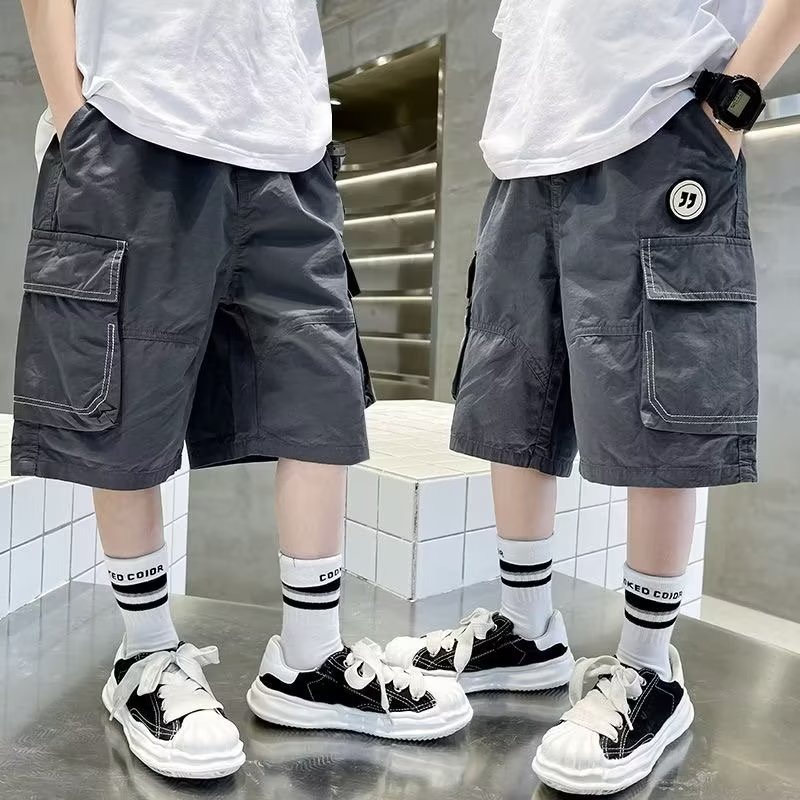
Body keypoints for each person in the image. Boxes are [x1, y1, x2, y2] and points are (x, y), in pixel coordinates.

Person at [13, 0, 471, 780]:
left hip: (290, 142)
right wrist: (72, 112)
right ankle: (145, 653)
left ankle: (310, 659)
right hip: (135, 123)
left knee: (320, 400)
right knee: (123, 401)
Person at [384, 0, 800, 793]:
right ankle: (526, 629)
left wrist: (733, 103)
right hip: (525, 154)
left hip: (660, 125)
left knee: (662, 394)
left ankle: (648, 666)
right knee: (512, 394)